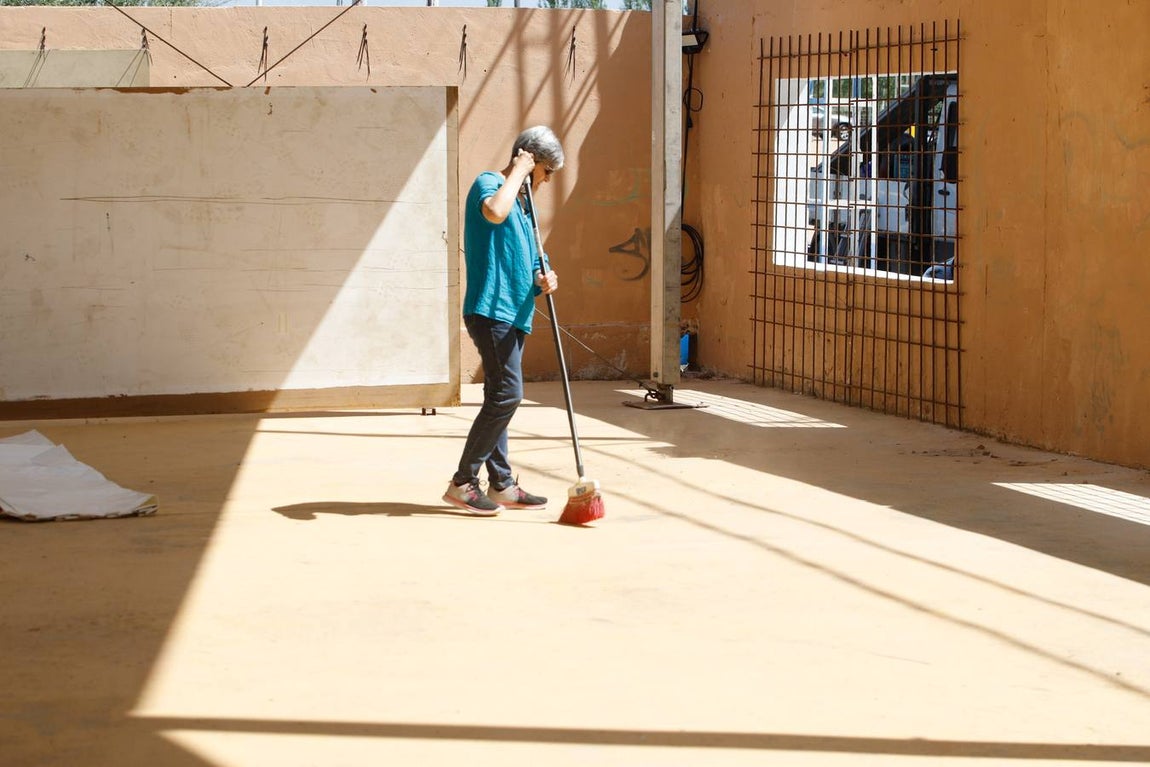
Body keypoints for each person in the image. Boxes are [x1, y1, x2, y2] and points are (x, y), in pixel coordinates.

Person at [442, 126, 563, 516]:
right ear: (530, 161)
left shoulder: (526, 208)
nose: (546, 181)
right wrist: (518, 170)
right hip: (490, 309)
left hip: (515, 313)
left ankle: (502, 484)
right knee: (508, 394)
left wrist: (545, 276)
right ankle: (463, 482)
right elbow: (494, 212)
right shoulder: (491, 184)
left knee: (500, 396)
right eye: (546, 171)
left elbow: (530, 261)